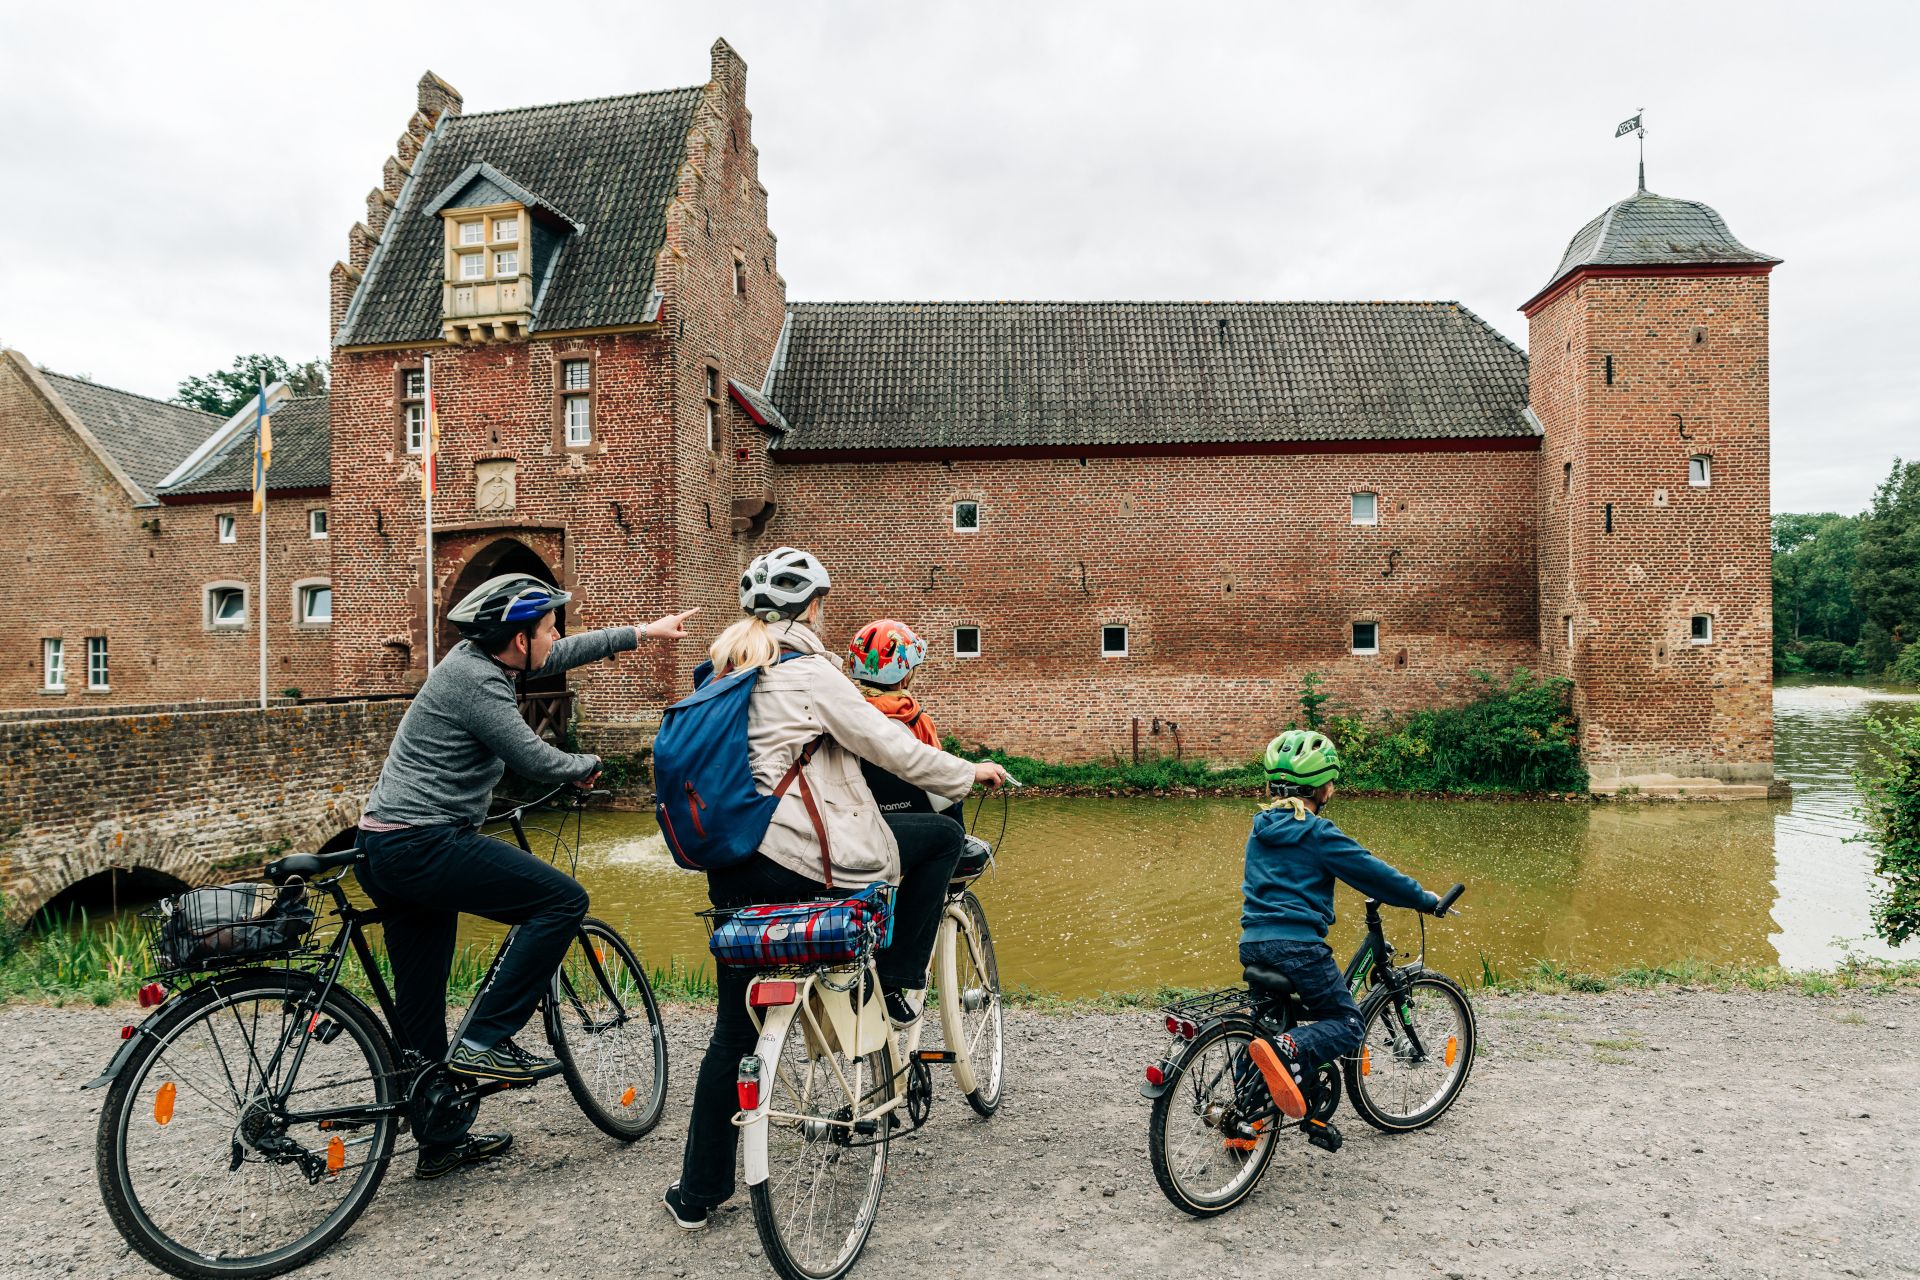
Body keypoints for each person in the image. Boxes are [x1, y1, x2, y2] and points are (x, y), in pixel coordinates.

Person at [664, 548, 1007, 1229]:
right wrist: (970, 772)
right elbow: (893, 749)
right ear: (813, 608)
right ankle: (904, 986)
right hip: (802, 865)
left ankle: (698, 1192)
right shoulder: (811, 673)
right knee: (937, 841)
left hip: (731, 872)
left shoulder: (720, 673)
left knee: (734, 1030)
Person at [355, 571, 696, 1180]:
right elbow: (533, 758)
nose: (557, 635)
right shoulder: (477, 684)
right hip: (425, 842)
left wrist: (642, 633)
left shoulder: (478, 660)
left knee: (422, 1001)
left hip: (384, 846)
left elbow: (559, 653)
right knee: (561, 902)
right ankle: (488, 1036)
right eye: (547, 625)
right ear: (517, 642)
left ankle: (438, 1133)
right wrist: (583, 763)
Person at [1239, 728, 1440, 1123]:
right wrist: (1424, 899)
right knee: (1347, 1024)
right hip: (1296, 946)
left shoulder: (1259, 828)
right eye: (1331, 781)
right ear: (1322, 788)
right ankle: (1284, 1053)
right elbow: (1374, 874)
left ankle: (1244, 1125)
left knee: (1266, 1027)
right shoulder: (1317, 832)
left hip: (1253, 942)